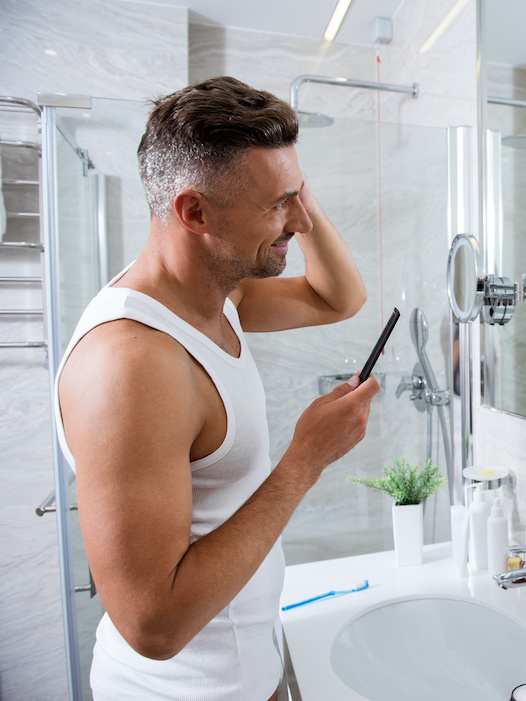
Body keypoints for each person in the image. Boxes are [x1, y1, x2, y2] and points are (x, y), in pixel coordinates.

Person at [54, 76, 379, 700]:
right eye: (280, 205)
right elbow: (153, 625)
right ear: (194, 212)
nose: (302, 221)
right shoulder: (132, 365)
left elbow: (340, 297)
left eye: (299, 195)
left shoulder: (215, 293)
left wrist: (287, 187)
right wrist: (304, 461)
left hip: (246, 671)